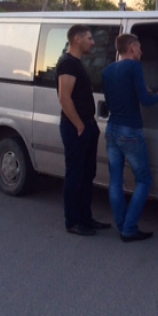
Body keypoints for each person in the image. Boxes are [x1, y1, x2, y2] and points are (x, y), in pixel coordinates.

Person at [102, 33, 158, 242]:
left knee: (115, 181)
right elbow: (146, 102)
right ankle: (129, 228)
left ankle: (122, 225)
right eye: (139, 47)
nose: (141, 51)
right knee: (144, 180)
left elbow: (115, 100)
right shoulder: (135, 67)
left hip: (112, 128)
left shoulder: (108, 70)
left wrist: (142, 92)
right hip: (130, 130)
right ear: (131, 47)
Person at [57, 25, 112, 236]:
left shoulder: (77, 64)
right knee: (75, 175)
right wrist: (79, 124)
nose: (93, 42)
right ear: (78, 39)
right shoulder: (68, 64)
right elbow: (64, 97)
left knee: (88, 173)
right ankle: (73, 221)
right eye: (89, 38)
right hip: (76, 128)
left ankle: (86, 218)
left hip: (87, 125)